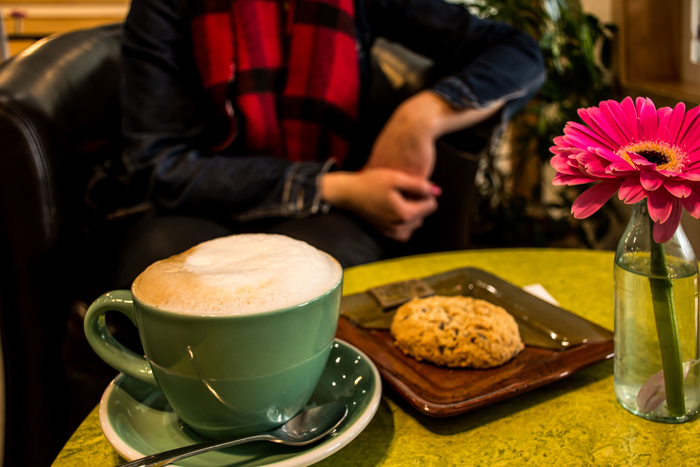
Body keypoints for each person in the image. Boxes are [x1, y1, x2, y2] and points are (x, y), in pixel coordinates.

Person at [114, 0, 545, 279]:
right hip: (201, 203)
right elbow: (160, 167)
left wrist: (422, 114)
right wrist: (335, 186)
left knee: (322, 274)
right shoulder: (163, 8)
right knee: (165, 270)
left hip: (329, 212)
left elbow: (518, 52)